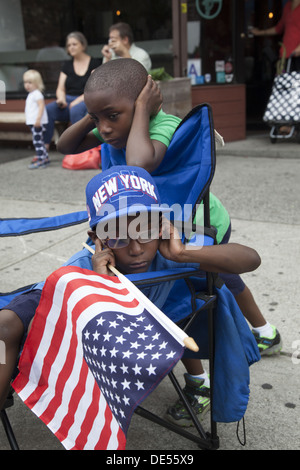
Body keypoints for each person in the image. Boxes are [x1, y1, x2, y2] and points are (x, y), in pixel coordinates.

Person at [61, 58, 280, 420]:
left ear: (144, 102)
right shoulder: (112, 126)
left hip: (195, 222)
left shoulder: (163, 125)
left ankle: (262, 331)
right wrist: (94, 113)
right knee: (178, 297)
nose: (104, 128)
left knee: (216, 278)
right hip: (142, 228)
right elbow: (65, 145)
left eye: (111, 116)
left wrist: (143, 108)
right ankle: (209, 369)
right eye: (98, 119)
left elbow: (138, 163)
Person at [0, 165, 261, 415]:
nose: (136, 249)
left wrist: (182, 253)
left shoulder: (168, 249)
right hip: (73, 321)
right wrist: (101, 287)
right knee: (5, 326)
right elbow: (47, 330)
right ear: (97, 239)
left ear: (161, 226)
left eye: (145, 231)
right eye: (119, 238)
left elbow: (251, 259)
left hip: (143, 329)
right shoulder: (81, 271)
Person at [43, 31, 102, 151]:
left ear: (83, 45)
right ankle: (44, 149)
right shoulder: (67, 65)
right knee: (49, 109)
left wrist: (78, 101)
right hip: (68, 99)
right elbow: (60, 88)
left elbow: (96, 87)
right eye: (69, 45)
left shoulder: (95, 63)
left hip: (87, 99)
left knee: (75, 109)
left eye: (74, 44)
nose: (71, 47)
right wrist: (61, 99)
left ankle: (81, 147)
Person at [251, 0, 300, 69]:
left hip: (297, 54)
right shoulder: (287, 6)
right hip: (286, 54)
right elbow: (278, 28)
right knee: (285, 78)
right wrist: (259, 32)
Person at [23, 70, 49, 169]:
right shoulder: (31, 94)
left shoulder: (37, 94)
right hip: (33, 122)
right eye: (25, 82)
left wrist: (38, 119)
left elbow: (41, 106)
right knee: (39, 141)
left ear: (37, 83)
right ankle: (45, 158)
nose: (27, 85)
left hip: (37, 122)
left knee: (37, 141)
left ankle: (41, 159)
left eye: (30, 82)